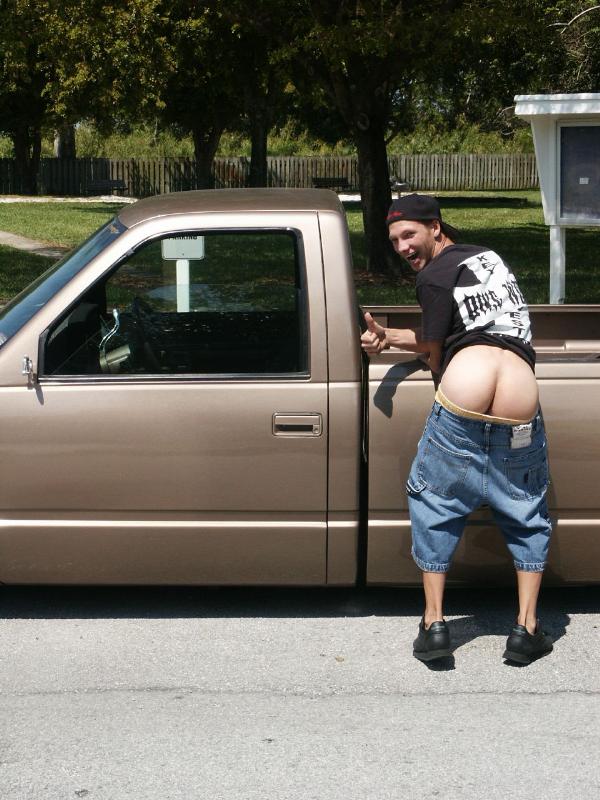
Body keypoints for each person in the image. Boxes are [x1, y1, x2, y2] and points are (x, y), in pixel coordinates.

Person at [361, 194, 553, 665]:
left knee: (435, 502)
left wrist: (388, 344)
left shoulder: (431, 276)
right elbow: (455, 331)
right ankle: (526, 629)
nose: (402, 248)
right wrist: (392, 335)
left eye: (409, 235)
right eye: (394, 240)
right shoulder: (484, 258)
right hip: (520, 392)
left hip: (467, 386)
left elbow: (433, 352)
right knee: (526, 509)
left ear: (435, 227)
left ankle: (434, 625)